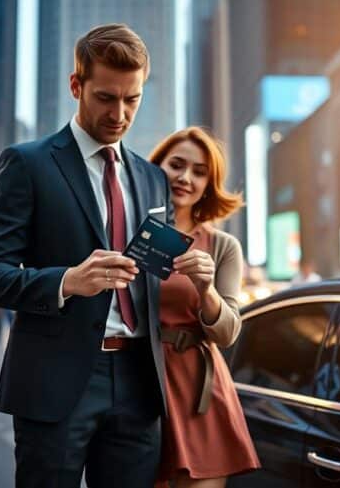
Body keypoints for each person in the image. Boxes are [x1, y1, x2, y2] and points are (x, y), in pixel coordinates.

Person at [0, 23, 171, 488]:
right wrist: (66, 281)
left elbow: (153, 277)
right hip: (56, 381)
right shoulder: (28, 163)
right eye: (105, 97)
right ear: (76, 85)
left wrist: (195, 277)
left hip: (140, 382)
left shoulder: (152, 179)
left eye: (132, 99)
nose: (120, 113)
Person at [147, 127, 260, 487]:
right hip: (140, 382)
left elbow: (228, 333)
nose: (185, 177)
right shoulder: (131, 231)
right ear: (156, 167)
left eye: (199, 172)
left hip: (200, 390)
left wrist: (206, 289)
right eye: (176, 165)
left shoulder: (223, 246)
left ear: (209, 185)